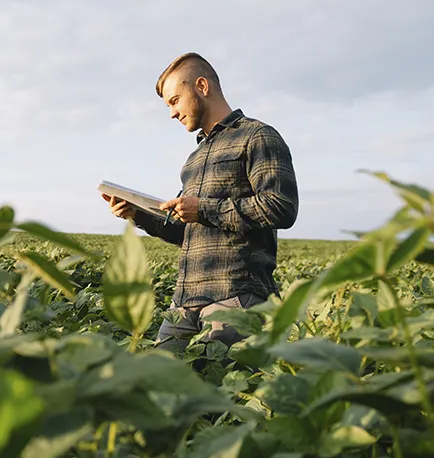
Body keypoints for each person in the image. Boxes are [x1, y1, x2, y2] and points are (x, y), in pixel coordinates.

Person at [102, 52, 299, 353]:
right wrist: (138, 215)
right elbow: (190, 233)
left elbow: (280, 206)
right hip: (183, 303)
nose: (172, 113)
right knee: (155, 384)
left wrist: (204, 208)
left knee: (220, 396)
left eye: (174, 100)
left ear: (202, 87)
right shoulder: (194, 159)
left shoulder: (258, 136)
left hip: (235, 298)